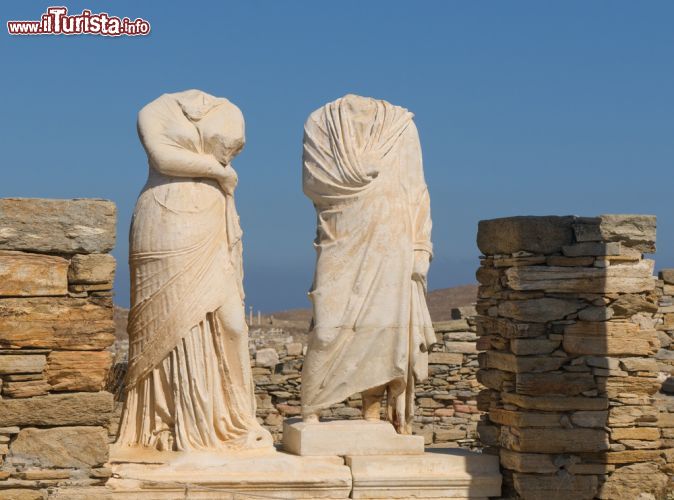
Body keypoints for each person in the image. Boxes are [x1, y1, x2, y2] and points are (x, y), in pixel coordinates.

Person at [116, 90, 272, 451]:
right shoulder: (152, 109)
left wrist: (219, 172)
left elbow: (226, 148)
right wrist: (218, 170)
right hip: (162, 214)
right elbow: (161, 157)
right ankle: (170, 421)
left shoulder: (230, 110)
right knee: (168, 321)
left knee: (231, 321)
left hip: (212, 216)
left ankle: (231, 418)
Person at [301, 94, 435, 434]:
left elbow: (417, 189)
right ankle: (311, 408)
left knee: (383, 325)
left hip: (393, 235)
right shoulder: (321, 121)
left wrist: (421, 245)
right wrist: (356, 172)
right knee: (329, 326)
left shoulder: (401, 126)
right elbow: (313, 182)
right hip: (342, 232)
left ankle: (372, 412)